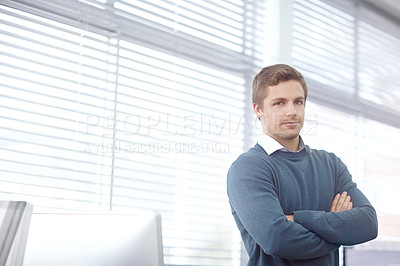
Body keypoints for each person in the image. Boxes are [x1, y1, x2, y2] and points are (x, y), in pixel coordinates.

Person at [227, 64, 378, 265]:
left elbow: (368, 224)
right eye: (279, 103)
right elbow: (277, 239)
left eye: (298, 102)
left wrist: (297, 219)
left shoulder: (331, 164)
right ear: (258, 110)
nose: (292, 111)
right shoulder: (248, 168)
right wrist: (337, 232)